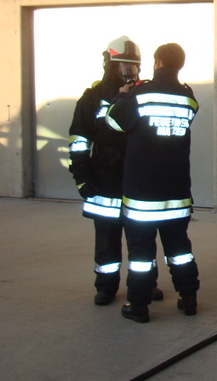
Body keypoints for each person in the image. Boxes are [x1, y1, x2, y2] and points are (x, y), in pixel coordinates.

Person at [105, 43, 200, 323]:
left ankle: (138, 305)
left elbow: (114, 122)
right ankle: (189, 297)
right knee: (179, 249)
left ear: (157, 62)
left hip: (143, 194)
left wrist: (123, 95)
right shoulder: (188, 97)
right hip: (176, 191)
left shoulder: (139, 94)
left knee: (141, 254)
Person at [68, 36, 163, 306]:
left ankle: (146, 284)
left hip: (138, 178)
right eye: (124, 67)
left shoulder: (144, 95)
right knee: (107, 239)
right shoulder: (92, 98)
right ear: (110, 66)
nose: (129, 73)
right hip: (105, 180)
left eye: (133, 67)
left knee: (142, 238)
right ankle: (106, 286)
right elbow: (79, 139)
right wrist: (82, 177)